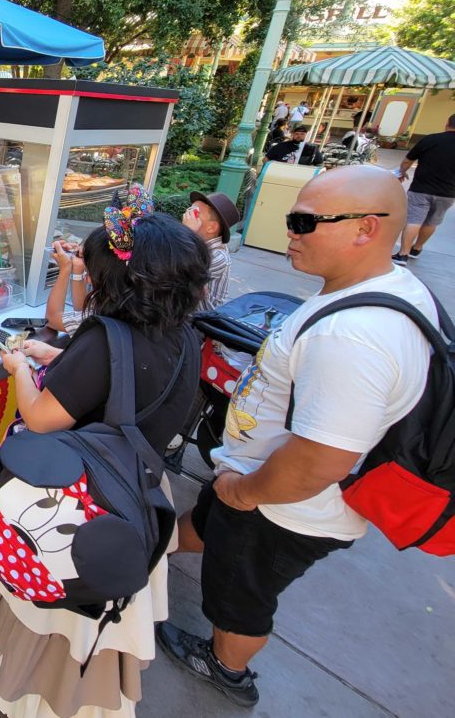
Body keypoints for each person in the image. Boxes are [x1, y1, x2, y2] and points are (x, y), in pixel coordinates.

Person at [157, 166, 435, 708]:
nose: (291, 232)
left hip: (283, 509)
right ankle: (159, 546)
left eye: (306, 222)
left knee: (239, 595)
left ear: (366, 228)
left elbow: (320, 460)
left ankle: (226, 667)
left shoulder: (354, 337)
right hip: (255, 482)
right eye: (292, 219)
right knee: (213, 521)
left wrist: (245, 492)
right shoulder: (376, 290)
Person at [0, 187, 210, 718]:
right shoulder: (185, 335)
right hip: (136, 489)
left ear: (119, 281)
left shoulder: (105, 337)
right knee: (86, 627)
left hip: (78, 501)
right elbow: (126, 386)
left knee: (46, 608)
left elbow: (42, 417)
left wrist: (21, 369)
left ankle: (21, 688)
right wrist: (59, 356)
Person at [392, 113, 455, 264]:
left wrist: (402, 172)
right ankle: (417, 248)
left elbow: (408, 160)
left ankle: (403, 254)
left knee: (414, 220)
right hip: (448, 192)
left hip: (421, 188)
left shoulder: (431, 139)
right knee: (432, 222)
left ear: (447, 123)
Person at [182, 190, 239, 309]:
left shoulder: (219, 257)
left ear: (211, 228)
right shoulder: (195, 244)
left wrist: (186, 233)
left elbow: (178, 271)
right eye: (189, 210)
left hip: (200, 317)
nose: (187, 216)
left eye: (195, 213)